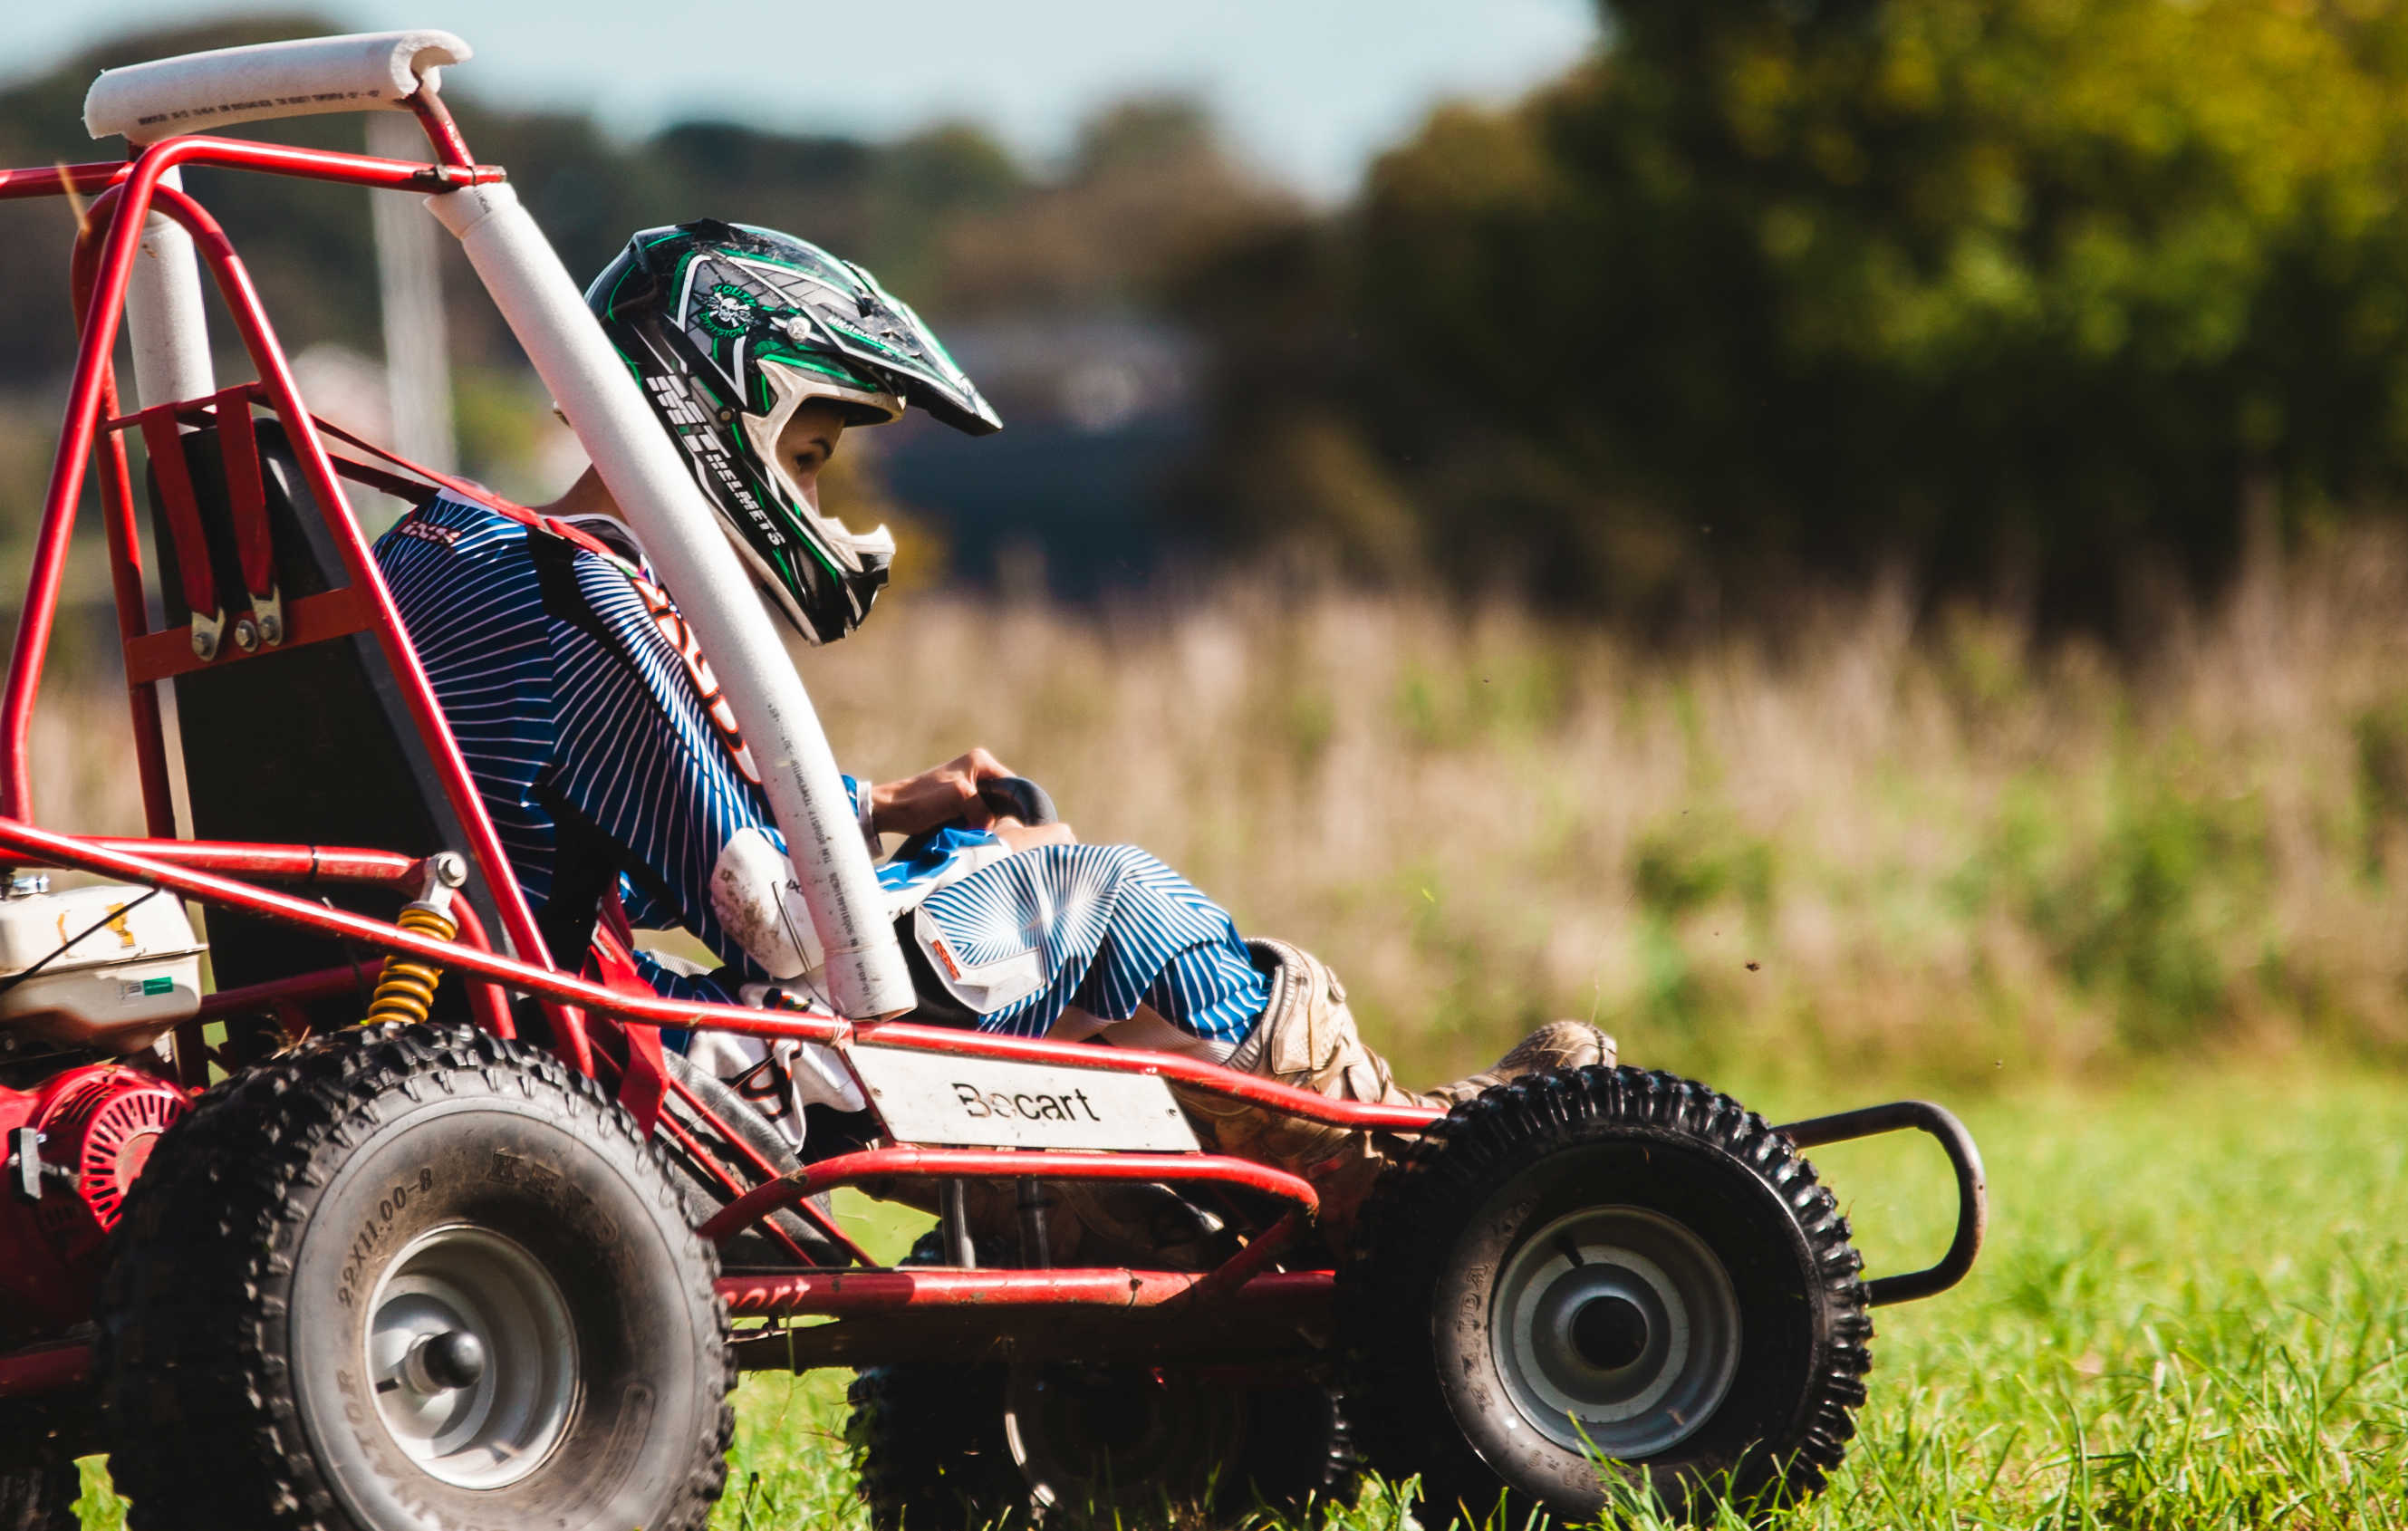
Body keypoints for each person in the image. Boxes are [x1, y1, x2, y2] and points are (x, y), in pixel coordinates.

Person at [370, 220, 1607, 1223]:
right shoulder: (581, 588)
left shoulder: (438, 551)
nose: (810, 493)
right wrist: (989, 869)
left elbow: (564, 852)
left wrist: (892, 813)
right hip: (655, 1080)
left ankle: (1165, 1228)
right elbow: (789, 931)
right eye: (806, 455)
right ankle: (1409, 1166)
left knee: (1000, 898)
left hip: (487, 1027)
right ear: (716, 416)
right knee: (1105, 900)